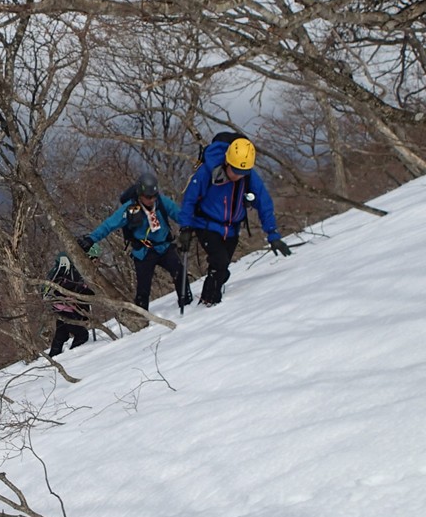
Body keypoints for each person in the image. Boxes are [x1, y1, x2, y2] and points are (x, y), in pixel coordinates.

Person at [178, 132, 291, 306]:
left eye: (242, 173)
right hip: (206, 225)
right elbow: (189, 200)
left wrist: (273, 234)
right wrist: (185, 228)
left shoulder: (248, 175)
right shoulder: (206, 172)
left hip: (232, 228)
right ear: (227, 161)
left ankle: (206, 301)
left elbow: (264, 201)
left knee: (221, 269)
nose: (237, 176)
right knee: (220, 261)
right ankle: (211, 304)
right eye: (235, 171)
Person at [77, 171, 192, 312]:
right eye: (148, 197)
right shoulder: (130, 209)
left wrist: (188, 227)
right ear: (139, 194)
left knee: (179, 271)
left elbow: (179, 214)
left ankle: (187, 303)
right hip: (143, 252)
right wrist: (91, 239)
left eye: (153, 196)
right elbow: (109, 224)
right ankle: (142, 316)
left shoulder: (161, 202)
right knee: (143, 288)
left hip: (164, 247)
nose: (151, 200)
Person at [44, 246, 99, 357]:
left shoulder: (74, 269)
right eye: (94, 259)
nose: (96, 262)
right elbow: (71, 288)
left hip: (61, 305)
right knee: (82, 335)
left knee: (61, 335)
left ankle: (53, 358)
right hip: (65, 306)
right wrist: (85, 292)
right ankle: (73, 359)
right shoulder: (74, 270)